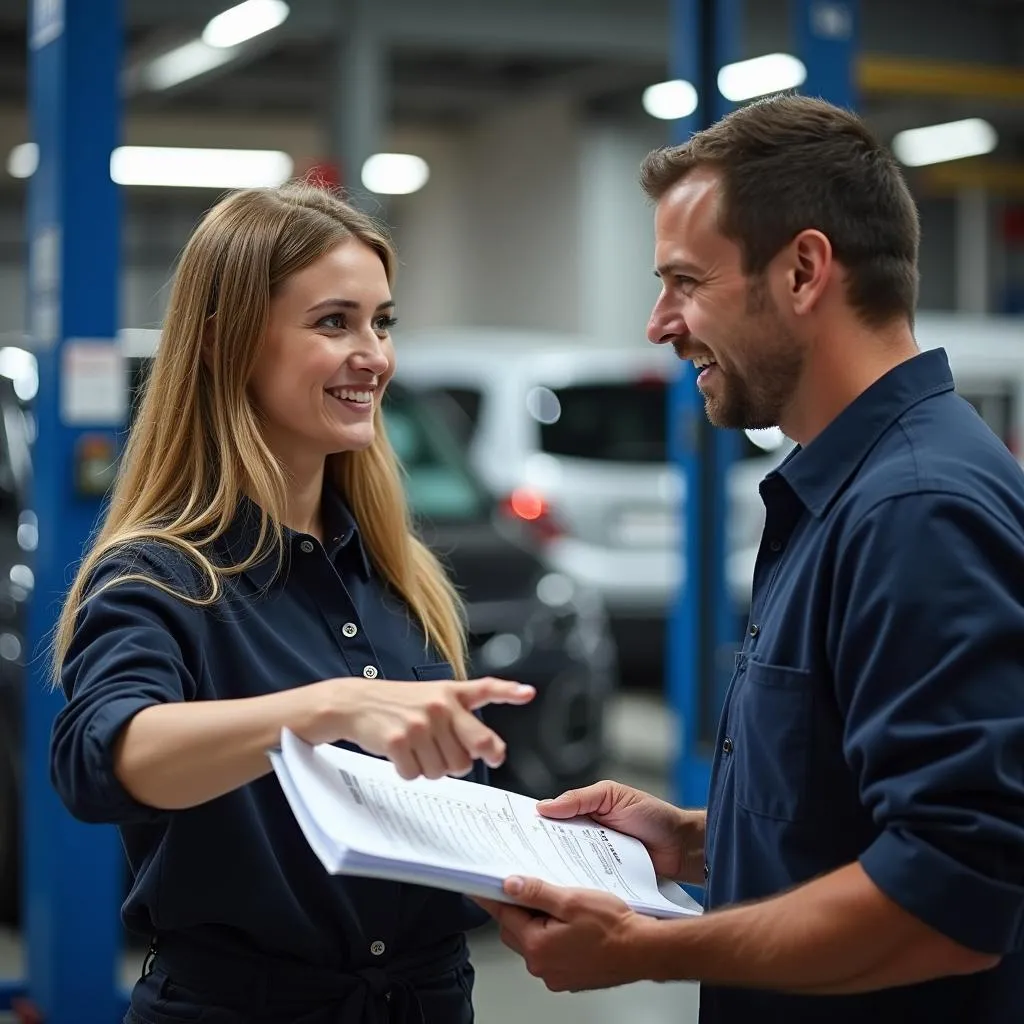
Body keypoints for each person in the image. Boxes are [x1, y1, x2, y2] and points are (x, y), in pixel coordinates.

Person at [476, 94, 1024, 1023]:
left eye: (686, 281)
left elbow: (953, 887)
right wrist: (692, 843)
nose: (660, 323)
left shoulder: (914, 511)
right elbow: (854, 818)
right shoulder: (840, 489)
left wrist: (649, 949)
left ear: (805, 269)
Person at [49, 181, 536, 1024]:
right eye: (333, 322)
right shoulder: (160, 576)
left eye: (382, 322)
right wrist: (326, 709)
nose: (375, 355)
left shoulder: (400, 575)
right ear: (228, 344)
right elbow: (107, 756)